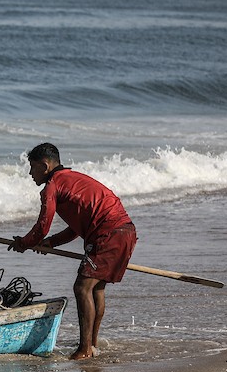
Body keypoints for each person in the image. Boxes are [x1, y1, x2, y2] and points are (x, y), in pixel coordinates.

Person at [8, 143, 137, 360]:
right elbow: (77, 228)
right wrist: (51, 243)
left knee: (81, 287)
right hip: (125, 231)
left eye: (32, 168)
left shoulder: (52, 186)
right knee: (96, 289)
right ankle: (92, 345)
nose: (30, 174)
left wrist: (25, 242)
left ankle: (84, 349)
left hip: (108, 234)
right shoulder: (74, 178)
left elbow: (42, 226)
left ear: (45, 165)